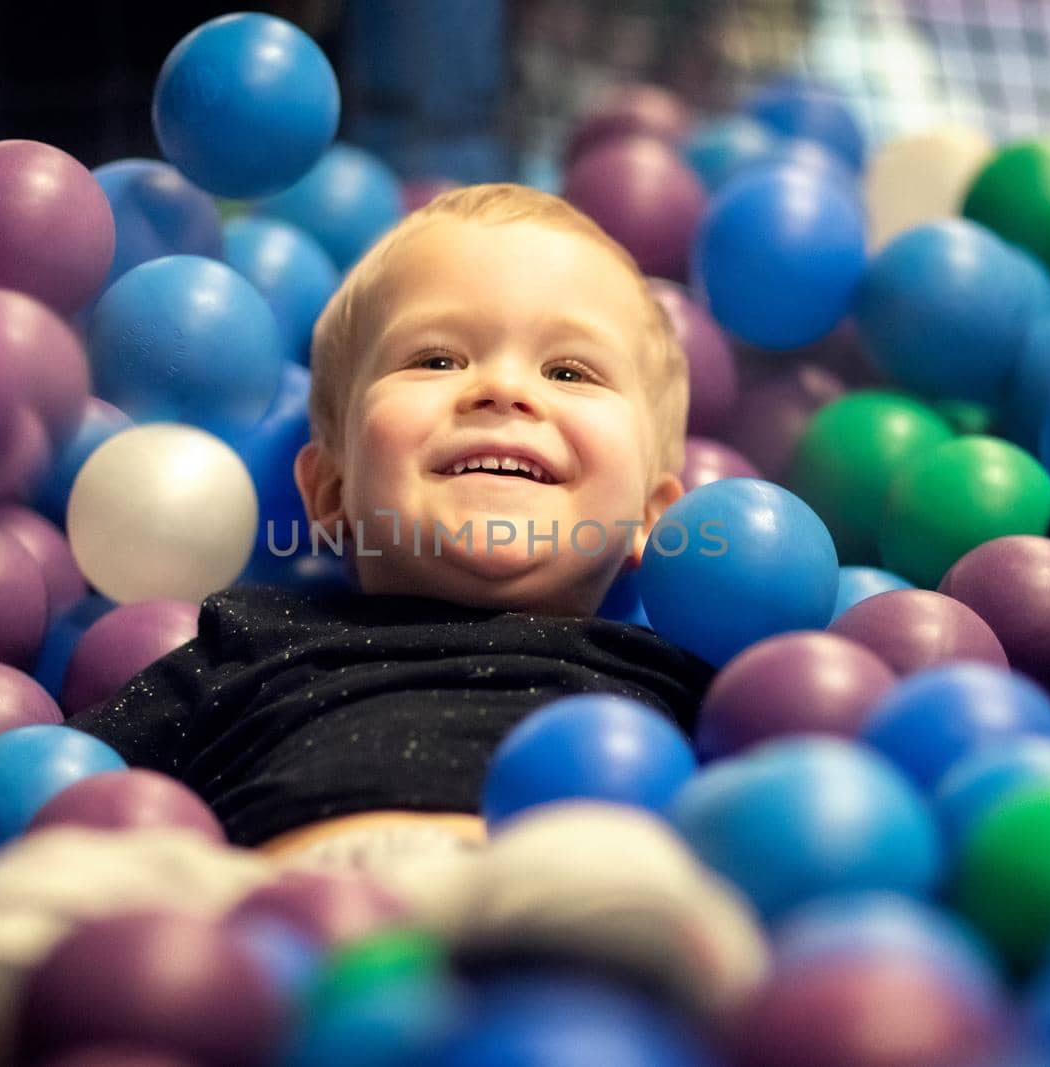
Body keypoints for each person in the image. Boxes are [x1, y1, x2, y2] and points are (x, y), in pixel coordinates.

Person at [66, 182, 714, 858]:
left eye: (571, 371)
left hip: (578, 903)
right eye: (436, 359)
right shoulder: (250, 643)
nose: (505, 389)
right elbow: (69, 801)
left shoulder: (678, 680)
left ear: (651, 518)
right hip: (294, 913)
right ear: (331, 489)